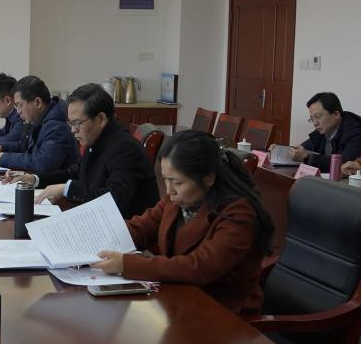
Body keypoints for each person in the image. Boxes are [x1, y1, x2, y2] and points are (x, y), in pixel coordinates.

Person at [92, 130, 273, 315]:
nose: (169, 190)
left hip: (224, 311)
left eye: (177, 183)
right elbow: (142, 228)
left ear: (208, 178)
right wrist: (96, 240)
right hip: (180, 299)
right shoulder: (178, 200)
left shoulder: (238, 214)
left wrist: (126, 264)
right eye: (166, 180)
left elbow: (199, 267)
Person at [20, 83, 159, 218]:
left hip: (125, 228)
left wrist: (66, 189)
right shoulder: (97, 139)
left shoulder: (125, 148)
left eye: (77, 123)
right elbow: (75, 173)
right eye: (70, 123)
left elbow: (114, 200)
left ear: (101, 119)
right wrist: (35, 179)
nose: (73, 130)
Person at [0, 76, 76, 175]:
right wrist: (2, 148)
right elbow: (24, 146)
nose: (18, 112)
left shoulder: (57, 127)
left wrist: (5, 158)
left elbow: (43, 163)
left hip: (53, 183)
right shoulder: (38, 119)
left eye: (20, 105)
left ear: (38, 102)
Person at [287, 92, 361, 172]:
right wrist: (290, 151)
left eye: (318, 116)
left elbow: (344, 164)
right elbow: (302, 148)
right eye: (312, 119)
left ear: (336, 114)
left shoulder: (357, 135)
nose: (315, 123)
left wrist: (307, 157)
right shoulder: (323, 131)